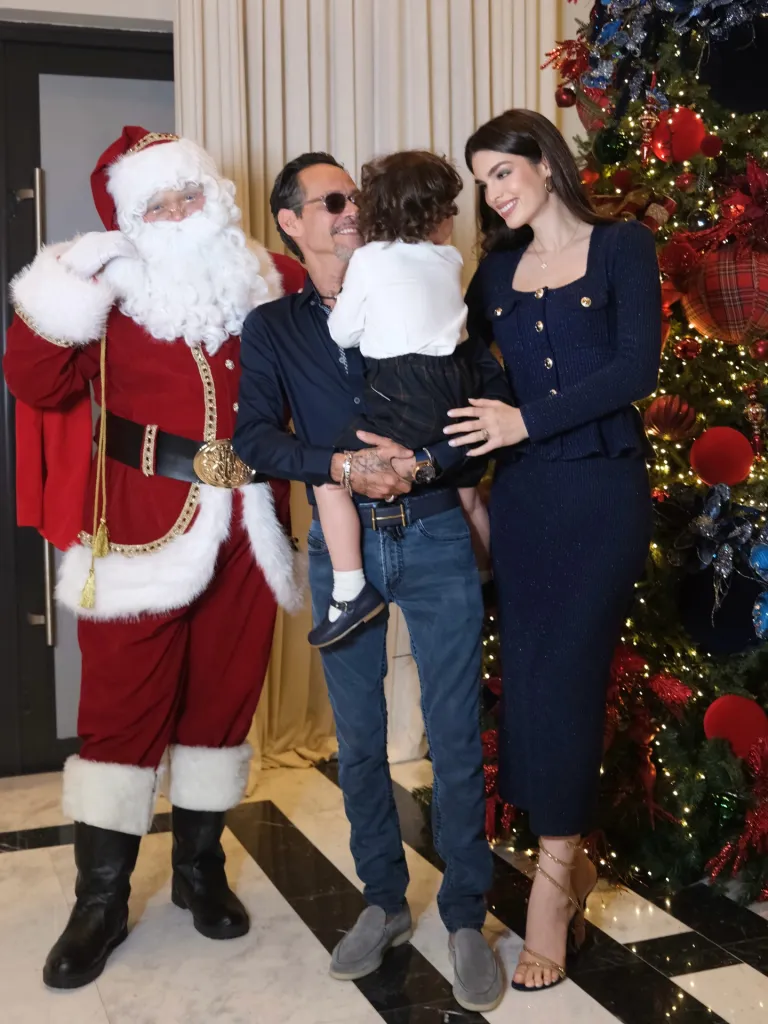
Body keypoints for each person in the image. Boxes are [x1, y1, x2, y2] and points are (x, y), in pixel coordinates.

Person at [3, 126, 306, 990]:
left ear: (215, 196)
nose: (179, 212)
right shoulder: (106, 289)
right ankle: (99, 900)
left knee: (223, 697)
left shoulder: (273, 278)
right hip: (138, 522)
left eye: (189, 194)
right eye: (157, 204)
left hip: (249, 520)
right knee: (121, 708)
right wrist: (64, 279)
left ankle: (199, 870)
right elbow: (33, 381)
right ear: (131, 220)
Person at [233, 152, 508, 1013]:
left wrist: (423, 460)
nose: (351, 210)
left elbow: (489, 406)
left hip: (434, 532)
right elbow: (255, 441)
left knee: (454, 735)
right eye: (331, 201)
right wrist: (343, 466)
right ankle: (384, 901)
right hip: (340, 546)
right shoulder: (273, 329)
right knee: (357, 743)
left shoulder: (434, 283)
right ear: (291, 222)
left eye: (356, 196)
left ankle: (465, 914)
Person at [445, 109, 661, 992]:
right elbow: (461, 361)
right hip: (526, 499)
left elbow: (635, 369)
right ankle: (567, 856)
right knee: (531, 676)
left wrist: (524, 419)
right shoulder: (496, 270)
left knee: (569, 671)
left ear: (543, 160)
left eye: (503, 172)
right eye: (483, 182)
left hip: (603, 493)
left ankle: (554, 877)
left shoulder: (622, 248)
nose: (494, 194)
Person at [311, 150, 497, 648]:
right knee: (465, 489)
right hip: (454, 384)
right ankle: (484, 578)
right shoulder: (450, 258)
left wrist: (355, 301)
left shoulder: (369, 259)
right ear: (436, 216)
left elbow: (342, 332)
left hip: (400, 385)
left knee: (328, 472)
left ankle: (349, 591)